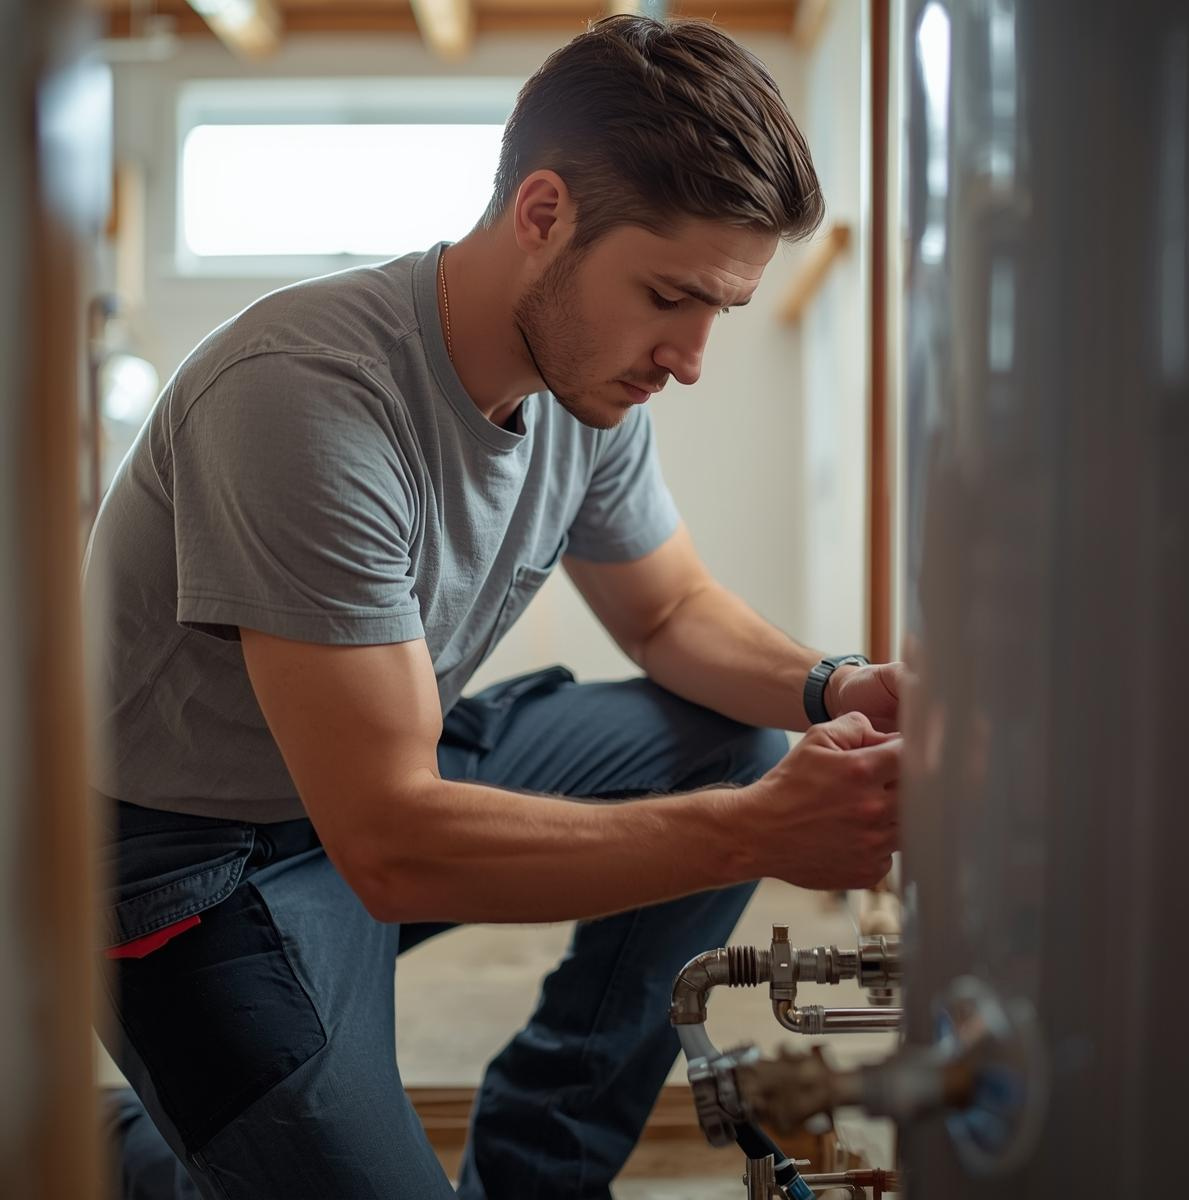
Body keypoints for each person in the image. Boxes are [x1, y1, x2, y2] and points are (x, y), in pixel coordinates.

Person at [89, 14, 903, 1199]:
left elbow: (670, 614)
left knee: (734, 742)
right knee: (738, 798)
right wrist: (761, 832)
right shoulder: (305, 399)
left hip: (384, 777)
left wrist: (836, 685)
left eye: (719, 310)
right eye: (671, 296)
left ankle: (536, 1174)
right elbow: (396, 845)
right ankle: (142, 1148)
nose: (691, 357)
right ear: (543, 214)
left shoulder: (591, 387)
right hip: (196, 868)